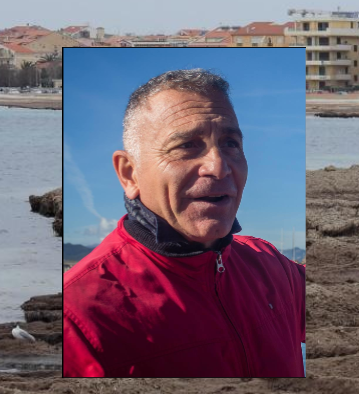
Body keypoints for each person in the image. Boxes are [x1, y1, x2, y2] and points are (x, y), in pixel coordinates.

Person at [63, 69, 305, 377]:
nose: (218, 168)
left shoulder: (271, 267)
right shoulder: (80, 316)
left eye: (230, 143)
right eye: (188, 146)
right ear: (129, 174)